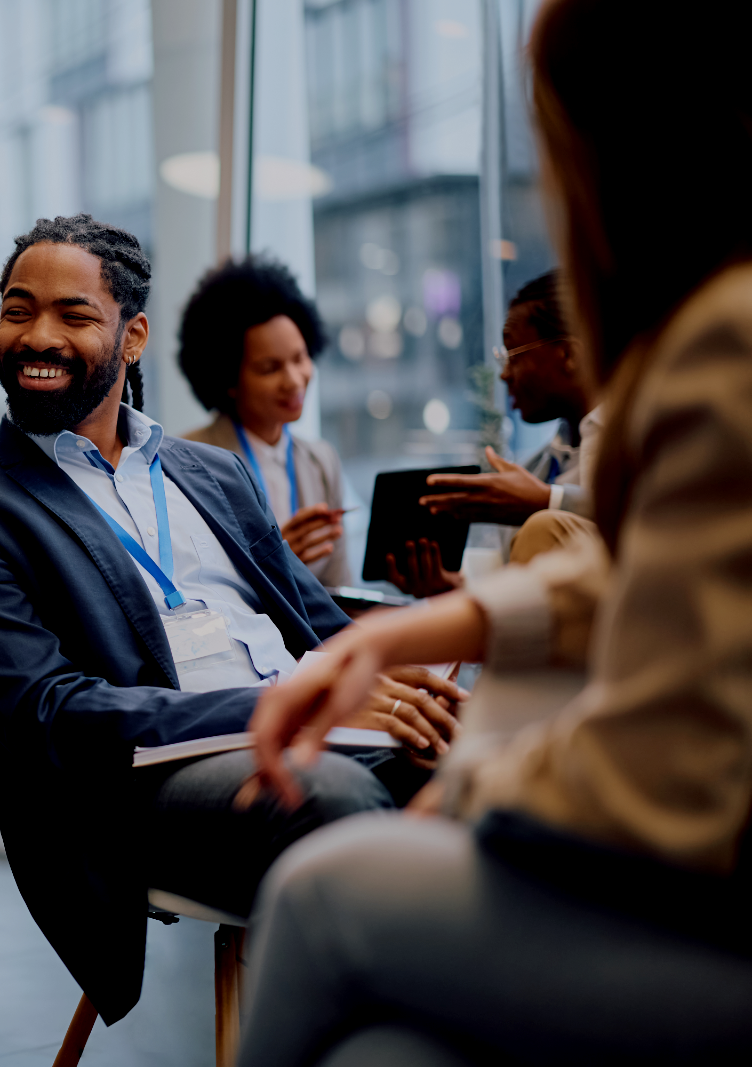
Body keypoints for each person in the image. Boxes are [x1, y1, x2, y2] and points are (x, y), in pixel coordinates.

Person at [241, 1, 752, 1062]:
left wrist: (465, 788)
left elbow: (679, 761)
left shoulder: (720, 344)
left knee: (316, 892)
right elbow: (654, 568)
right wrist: (391, 636)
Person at [0, 214, 465, 1025]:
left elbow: (317, 620)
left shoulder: (213, 471)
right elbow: (50, 712)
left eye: (73, 314)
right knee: (331, 802)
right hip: (140, 780)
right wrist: (280, 708)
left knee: (500, 764)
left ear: (132, 338)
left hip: (313, 726)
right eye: (18, 309)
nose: (38, 335)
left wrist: (389, 675)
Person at [385, 271, 604, 596]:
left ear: (568, 355)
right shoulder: (537, 468)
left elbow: (643, 521)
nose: (503, 375)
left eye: (513, 356)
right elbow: (517, 591)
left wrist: (546, 502)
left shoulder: (640, 435)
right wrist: (455, 588)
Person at [179, 256, 351, 587]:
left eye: (300, 358)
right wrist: (273, 563)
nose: (294, 380)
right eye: (270, 368)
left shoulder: (321, 461)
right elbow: (194, 592)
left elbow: (339, 592)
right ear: (228, 379)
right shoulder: (187, 462)